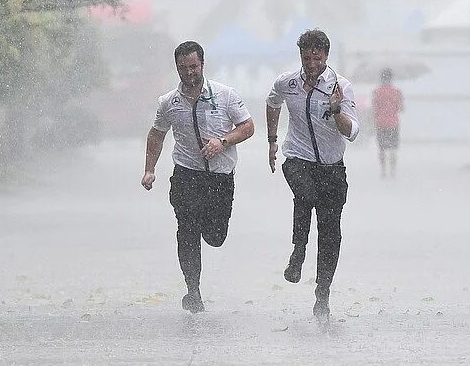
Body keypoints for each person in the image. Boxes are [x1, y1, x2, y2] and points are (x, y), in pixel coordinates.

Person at [141, 41, 254, 313]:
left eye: (193, 67)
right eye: (183, 68)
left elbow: (248, 127)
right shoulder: (169, 102)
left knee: (215, 236)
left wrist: (223, 142)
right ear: (177, 68)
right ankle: (193, 290)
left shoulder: (225, 95)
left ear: (202, 64)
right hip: (186, 176)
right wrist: (149, 169)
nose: (189, 73)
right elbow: (157, 133)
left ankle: (207, 229)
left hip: (219, 178)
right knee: (187, 230)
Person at [266, 29, 360, 321]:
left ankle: (323, 292)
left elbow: (353, 132)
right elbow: (272, 102)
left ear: (326, 56)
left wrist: (335, 111)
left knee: (330, 232)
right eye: (306, 57)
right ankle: (298, 250)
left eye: (316, 57)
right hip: (298, 158)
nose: (311, 63)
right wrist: (272, 140)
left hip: (332, 168)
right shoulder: (288, 82)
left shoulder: (340, 88)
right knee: (305, 194)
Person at [371, 68, 404, 178]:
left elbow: (374, 108)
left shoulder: (376, 92)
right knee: (393, 149)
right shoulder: (397, 92)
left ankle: (383, 171)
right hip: (393, 123)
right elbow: (401, 108)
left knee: (382, 148)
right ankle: (392, 171)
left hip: (380, 123)